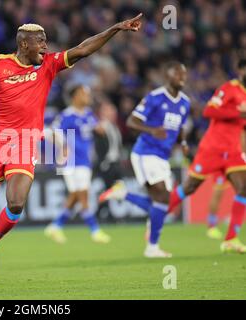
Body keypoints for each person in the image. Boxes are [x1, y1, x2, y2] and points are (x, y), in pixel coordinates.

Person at [0, 14, 143, 291]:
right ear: (24, 44)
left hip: (26, 142)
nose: (45, 45)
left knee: (16, 204)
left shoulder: (49, 65)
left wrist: (115, 28)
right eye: (40, 41)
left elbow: (83, 49)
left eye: (45, 40)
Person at [99, 61, 190, 258]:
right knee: (163, 199)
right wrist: (151, 130)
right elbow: (132, 121)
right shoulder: (155, 98)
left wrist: (182, 143)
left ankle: (124, 195)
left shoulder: (185, 102)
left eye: (184, 74)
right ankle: (152, 247)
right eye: (178, 74)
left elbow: (180, 127)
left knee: (162, 204)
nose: (182, 77)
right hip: (145, 153)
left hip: (163, 157)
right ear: (168, 76)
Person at [167, 59, 246, 253]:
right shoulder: (229, 88)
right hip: (212, 148)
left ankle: (231, 238)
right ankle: (157, 217)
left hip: (233, 150)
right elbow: (209, 110)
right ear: (241, 70)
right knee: (189, 187)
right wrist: (238, 111)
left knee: (243, 189)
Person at [44, 85, 111, 244]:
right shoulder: (67, 116)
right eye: (84, 94)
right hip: (70, 161)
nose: (88, 97)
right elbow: (51, 132)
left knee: (75, 195)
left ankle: (55, 226)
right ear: (75, 96)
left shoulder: (89, 115)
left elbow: (98, 129)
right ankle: (95, 230)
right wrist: (63, 145)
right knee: (82, 195)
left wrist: (101, 127)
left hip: (85, 160)